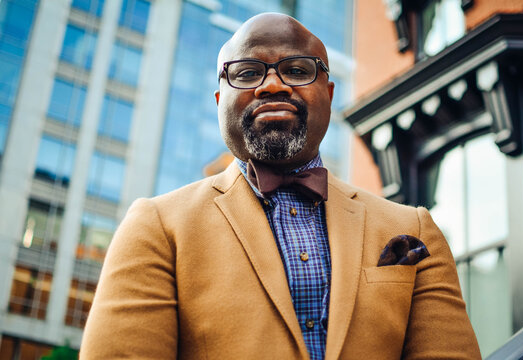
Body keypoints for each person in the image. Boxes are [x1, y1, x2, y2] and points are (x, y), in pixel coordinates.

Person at [80, 13, 480, 360]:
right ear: (220, 99)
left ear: (328, 93)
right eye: (248, 72)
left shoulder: (415, 229)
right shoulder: (156, 227)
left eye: (297, 69)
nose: (272, 85)